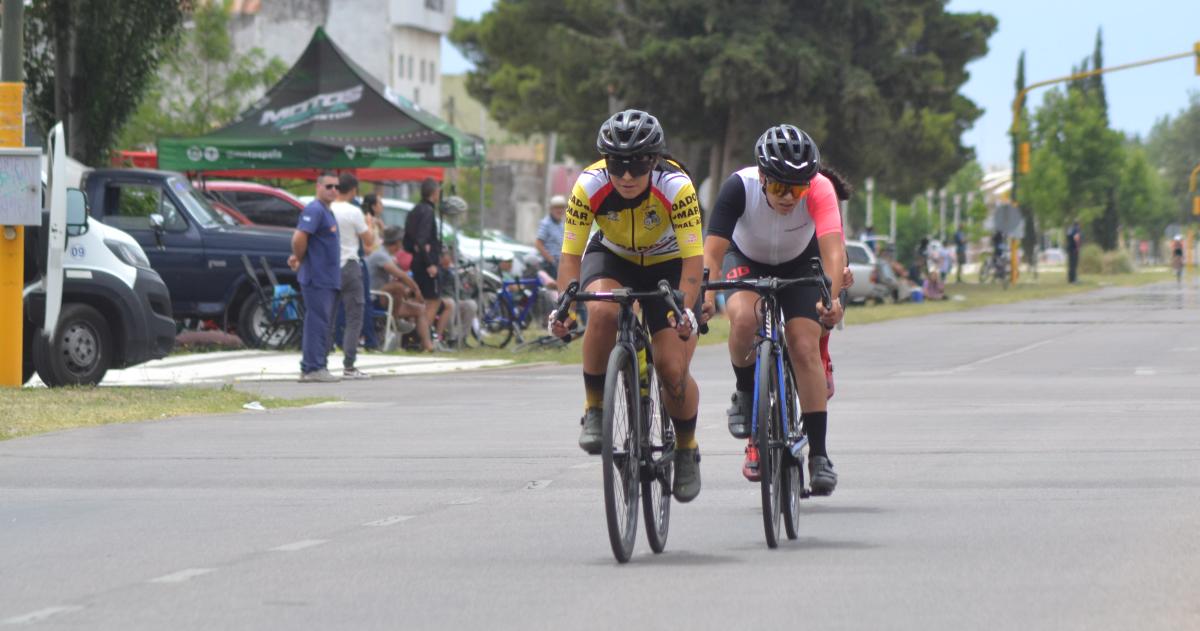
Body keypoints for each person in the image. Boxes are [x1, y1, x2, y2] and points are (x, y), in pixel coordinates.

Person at [547, 109, 704, 503]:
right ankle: (595, 409)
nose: (627, 176)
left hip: (669, 263)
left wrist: (685, 309)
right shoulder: (589, 184)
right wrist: (566, 307)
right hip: (613, 257)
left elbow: (693, 262)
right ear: (606, 162)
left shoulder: (677, 186)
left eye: (638, 165)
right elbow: (570, 256)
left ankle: (686, 447)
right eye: (617, 165)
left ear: (655, 161)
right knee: (602, 310)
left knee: (672, 369)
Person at [699, 124, 847, 496]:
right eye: (780, 188)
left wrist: (831, 299)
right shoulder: (739, 186)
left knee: (803, 344)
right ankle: (745, 391)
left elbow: (833, 252)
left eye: (798, 189)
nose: (789, 198)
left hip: (801, 262)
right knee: (744, 319)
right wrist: (704, 295)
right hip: (746, 258)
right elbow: (712, 253)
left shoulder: (820, 188)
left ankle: (819, 455)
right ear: (763, 177)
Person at [289, 172, 342, 382]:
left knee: (323, 323)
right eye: (329, 186)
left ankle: (317, 365)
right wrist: (299, 257)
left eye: (337, 187)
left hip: (327, 277)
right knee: (317, 322)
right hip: (317, 277)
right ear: (318, 187)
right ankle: (313, 368)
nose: (333, 190)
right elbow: (299, 237)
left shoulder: (327, 211)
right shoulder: (315, 209)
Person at [328, 173, 374, 379]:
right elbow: (369, 240)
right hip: (350, 265)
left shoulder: (327, 208)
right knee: (354, 316)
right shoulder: (354, 211)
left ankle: (321, 361)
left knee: (328, 315)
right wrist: (369, 223)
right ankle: (349, 365)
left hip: (329, 267)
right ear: (354, 190)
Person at [368, 227, 435, 352]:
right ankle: (395, 319)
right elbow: (401, 275)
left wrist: (408, 291)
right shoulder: (380, 255)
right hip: (374, 297)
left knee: (420, 309)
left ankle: (428, 346)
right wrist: (416, 290)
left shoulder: (388, 255)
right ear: (398, 242)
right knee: (398, 287)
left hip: (386, 298)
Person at [404, 178, 444, 342]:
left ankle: (412, 335)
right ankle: (421, 336)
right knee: (433, 300)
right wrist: (430, 263)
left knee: (419, 299)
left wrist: (414, 249)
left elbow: (408, 241)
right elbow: (422, 239)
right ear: (434, 193)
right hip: (426, 264)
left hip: (416, 261)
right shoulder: (428, 211)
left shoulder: (414, 210)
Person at [536, 195, 567, 277]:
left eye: (561, 208)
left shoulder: (561, 224)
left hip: (559, 263)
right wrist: (551, 260)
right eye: (556, 208)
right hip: (549, 265)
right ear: (551, 209)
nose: (559, 210)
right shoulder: (546, 223)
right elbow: (538, 244)